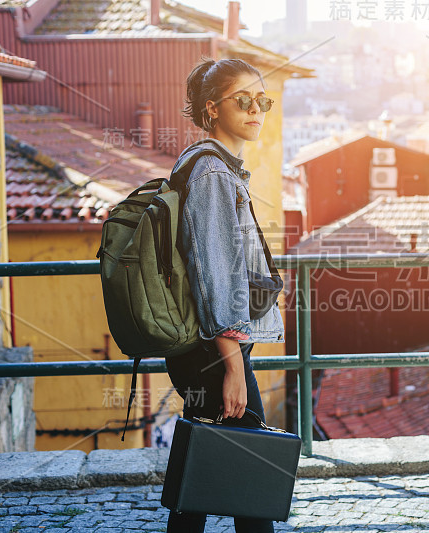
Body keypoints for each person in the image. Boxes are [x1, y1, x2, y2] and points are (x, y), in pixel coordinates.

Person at [163, 57, 285, 533]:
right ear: (212, 109)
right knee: (251, 474)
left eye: (263, 100)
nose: (257, 110)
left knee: (204, 466)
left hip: (205, 347)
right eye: (244, 100)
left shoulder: (205, 164)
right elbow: (216, 273)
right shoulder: (212, 174)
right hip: (216, 350)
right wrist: (234, 364)